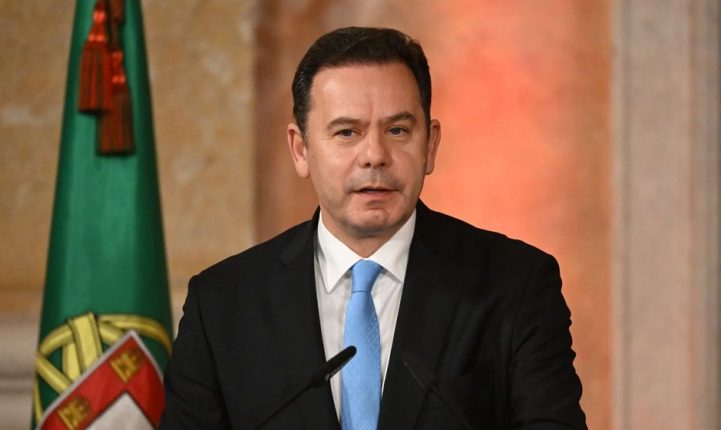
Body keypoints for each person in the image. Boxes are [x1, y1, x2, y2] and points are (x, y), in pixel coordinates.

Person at [160, 27, 586, 429]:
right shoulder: (222, 304)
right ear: (300, 149)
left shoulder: (515, 286)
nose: (374, 155)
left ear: (430, 145)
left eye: (397, 130)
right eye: (347, 132)